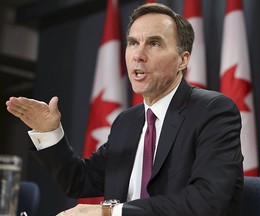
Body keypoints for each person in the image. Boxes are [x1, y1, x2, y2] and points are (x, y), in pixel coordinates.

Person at [6, 3, 243, 216]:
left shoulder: (213, 112)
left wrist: (110, 213)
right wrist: (49, 133)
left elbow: (207, 202)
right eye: (133, 43)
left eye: (154, 43)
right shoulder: (127, 122)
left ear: (183, 59)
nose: (138, 55)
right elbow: (80, 181)